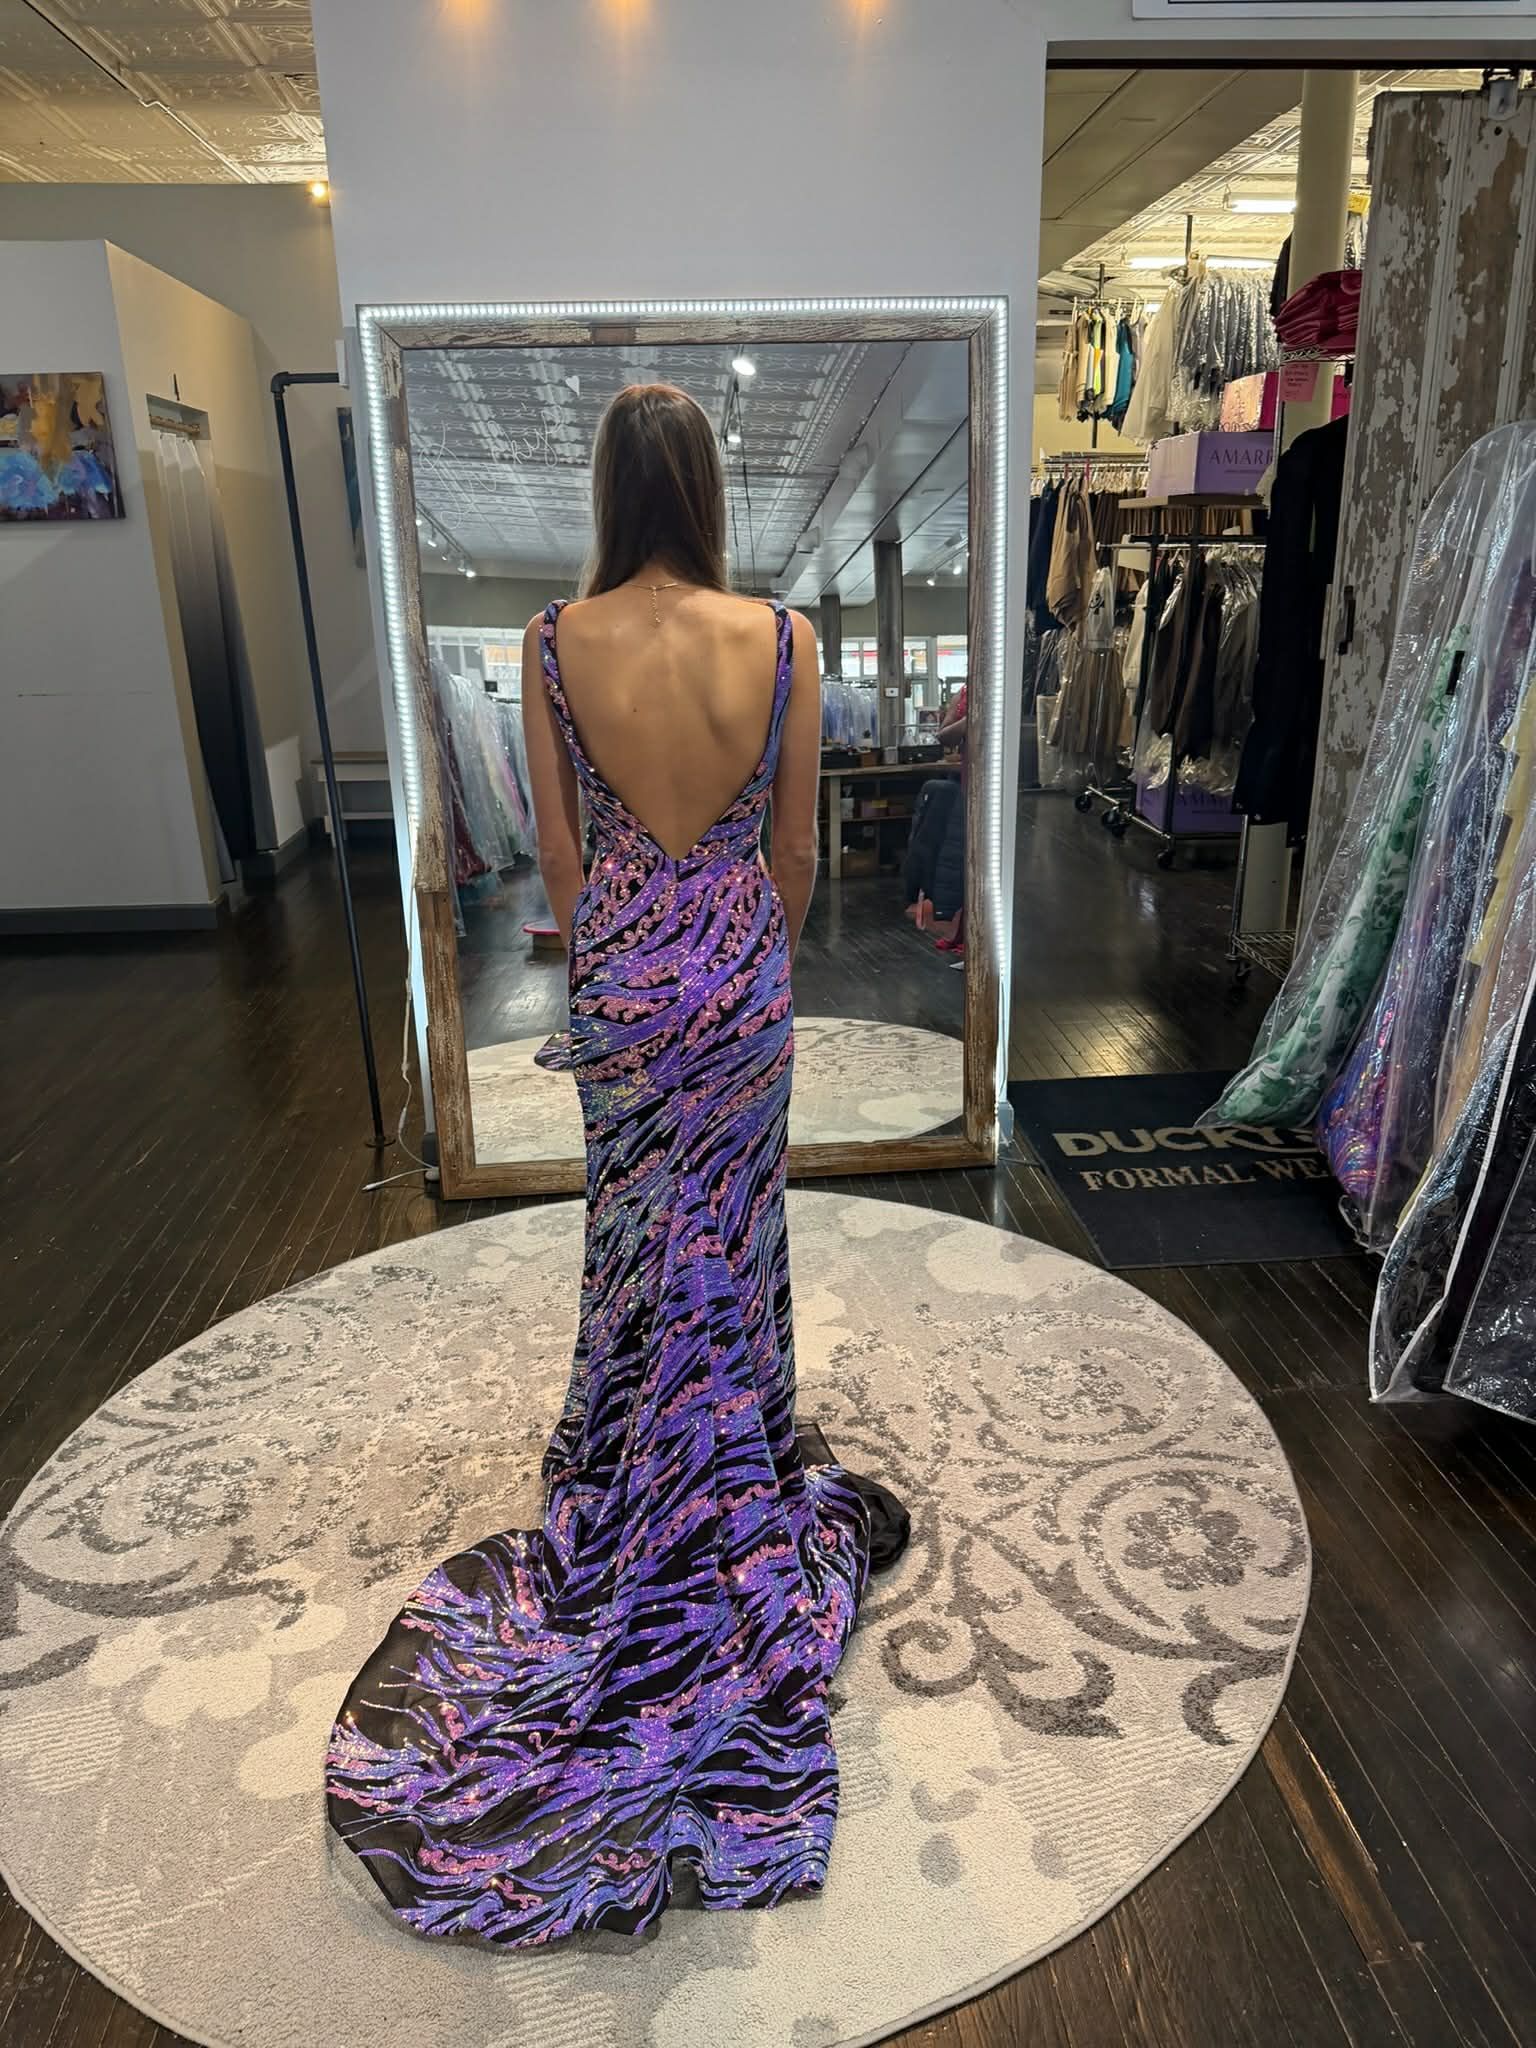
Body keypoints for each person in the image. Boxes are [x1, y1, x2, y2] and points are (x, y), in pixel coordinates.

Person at [325, 383, 907, 1947]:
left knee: (639, 1240)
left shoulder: (547, 641)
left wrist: (627, 974)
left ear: (605, 493)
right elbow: (796, 851)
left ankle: (637, 1461)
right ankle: (734, 1464)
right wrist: (748, 967)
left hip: (627, 983)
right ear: (706, 490)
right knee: (740, 1236)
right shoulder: (781, 640)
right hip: (742, 980)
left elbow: (565, 859)